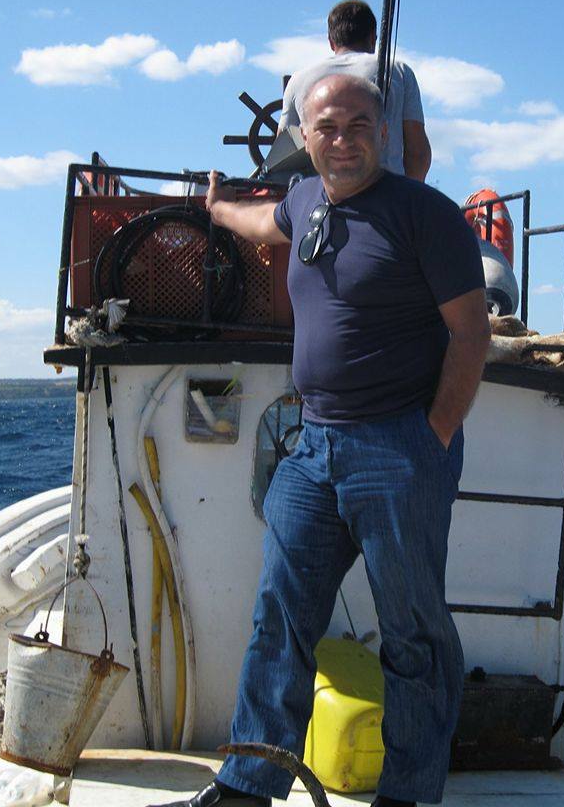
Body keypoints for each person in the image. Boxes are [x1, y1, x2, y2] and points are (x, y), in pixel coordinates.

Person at [149, 74, 489, 807]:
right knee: (280, 616)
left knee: (412, 631)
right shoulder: (306, 200)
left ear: (385, 131)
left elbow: (471, 335)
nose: (342, 139)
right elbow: (261, 221)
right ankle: (248, 785)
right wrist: (215, 207)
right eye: (326, 127)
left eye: (359, 124)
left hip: (399, 449)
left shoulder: (424, 215)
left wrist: (432, 436)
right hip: (314, 446)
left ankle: (408, 794)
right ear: (304, 137)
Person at [278, 0, 433, 182]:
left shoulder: (299, 80)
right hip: (387, 197)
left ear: (330, 41)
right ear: (373, 38)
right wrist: (408, 201)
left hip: (321, 202)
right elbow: (418, 153)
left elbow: (283, 151)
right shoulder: (399, 72)